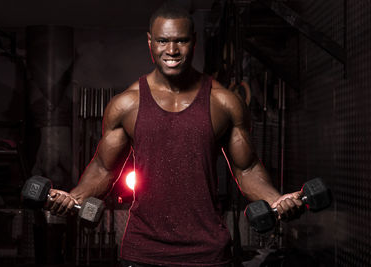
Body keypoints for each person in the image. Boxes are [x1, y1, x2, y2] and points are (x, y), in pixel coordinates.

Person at [47, 3, 304, 267]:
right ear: (150, 42)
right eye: (163, 41)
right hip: (142, 251)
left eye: (181, 41)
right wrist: (76, 197)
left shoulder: (223, 103)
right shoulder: (127, 104)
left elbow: (247, 169)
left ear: (193, 42)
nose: (171, 50)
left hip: (207, 253)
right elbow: (103, 168)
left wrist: (275, 199)